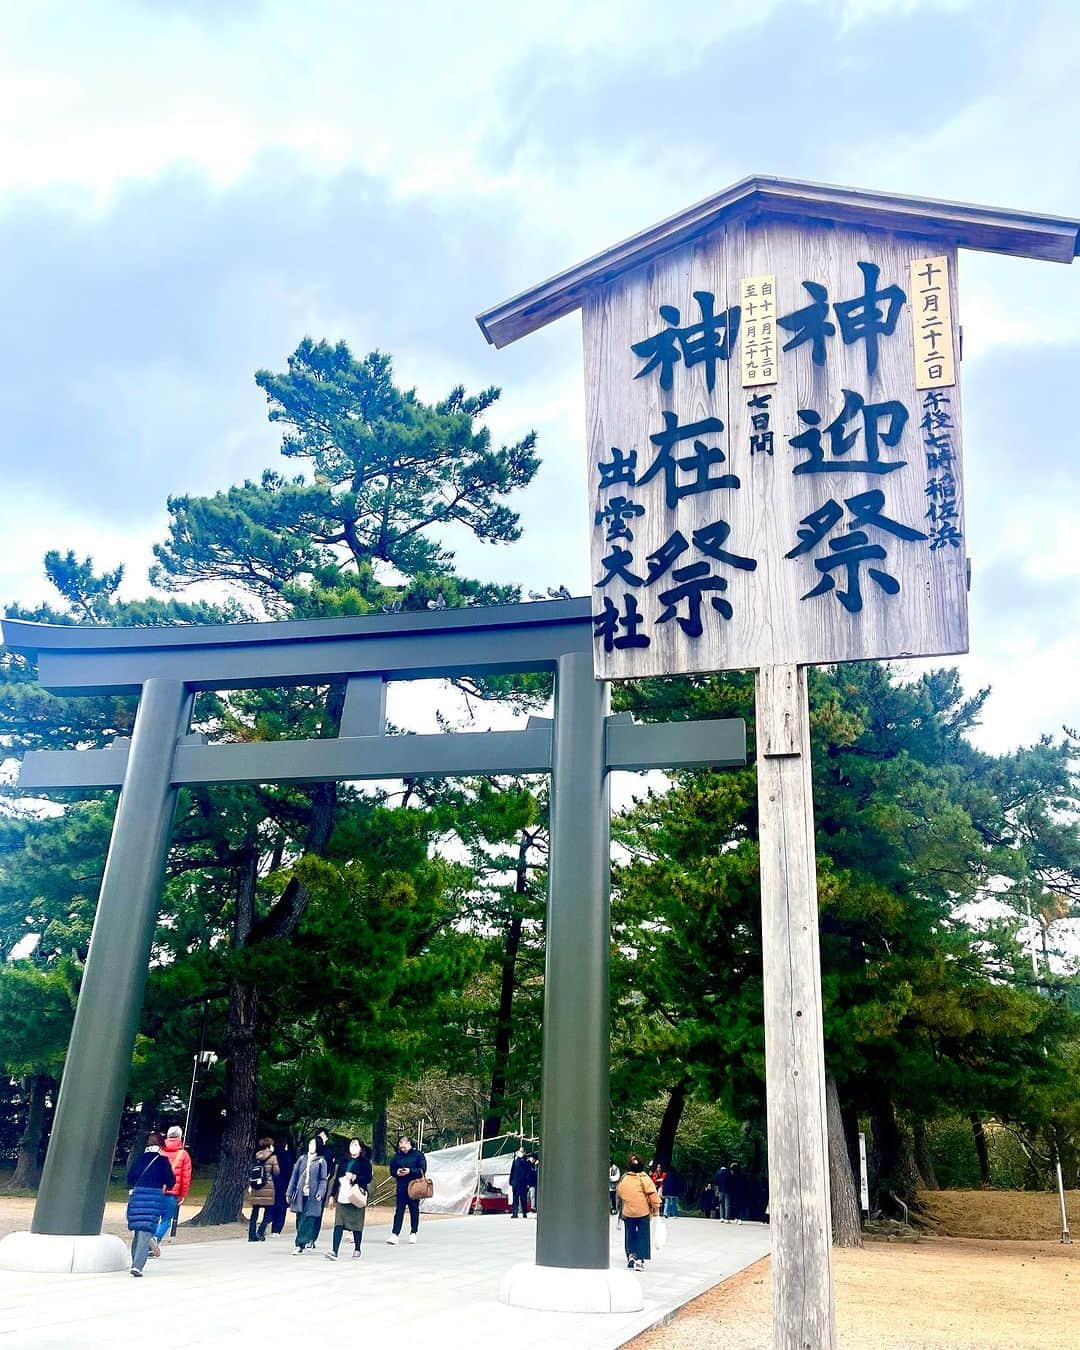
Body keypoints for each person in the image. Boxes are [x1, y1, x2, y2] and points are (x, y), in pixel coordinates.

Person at [126, 1131, 177, 1277]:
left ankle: (134, 1261)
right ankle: (137, 1265)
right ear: (161, 1145)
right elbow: (171, 1181)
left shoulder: (140, 1159)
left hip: (138, 1195)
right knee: (146, 1230)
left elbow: (130, 1178)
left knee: (138, 1230)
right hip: (154, 1197)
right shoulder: (162, 1161)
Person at [326, 1139, 373, 1260]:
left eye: (356, 1144)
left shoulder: (365, 1162)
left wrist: (355, 1177)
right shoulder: (343, 1161)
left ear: (361, 1148)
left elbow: (368, 1178)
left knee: (356, 1225)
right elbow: (337, 1179)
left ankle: (357, 1248)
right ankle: (334, 1250)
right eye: (352, 1144)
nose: (354, 1146)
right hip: (343, 1195)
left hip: (356, 1195)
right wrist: (332, 1195)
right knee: (338, 1224)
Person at [615, 1155, 660, 1273]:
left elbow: (619, 1191)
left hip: (628, 1212)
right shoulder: (644, 1178)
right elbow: (653, 1194)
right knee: (643, 1235)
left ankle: (631, 1255)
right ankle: (640, 1260)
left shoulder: (625, 1178)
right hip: (642, 1211)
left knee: (630, 1234)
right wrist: (656, 1207)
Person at [153, 1125, 192, 1252]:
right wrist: (182, 1195)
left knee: (154, 1217)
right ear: (180, 1137)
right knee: (166, 1219)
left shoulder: (160, 1152)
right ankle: (155, 1239)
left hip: (157, 1190)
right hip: (172, 1193)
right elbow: (185, 1177)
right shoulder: (183, 1154)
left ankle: (147, 1241)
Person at [286, 1138, 328, 1254]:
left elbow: (323, 1180)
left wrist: (320, 1192)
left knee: (308, 1218)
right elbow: (294, 1177)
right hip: (300, 1194)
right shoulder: (302, 1159)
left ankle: (299, 1244)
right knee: (300, 1219)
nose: (311, 1146)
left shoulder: (321, 1161)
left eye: (313, 1144)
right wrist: (289, 1192)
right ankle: (304, 1240)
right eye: (310, 1143)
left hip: (312, 1196)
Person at [386, 1135, 427, 1245]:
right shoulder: (396, 1157)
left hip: (414, 1186)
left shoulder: (418, 1155)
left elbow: (422, 1170)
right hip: (401, 1186)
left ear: (409, 1144)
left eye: (404, 1147)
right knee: (399, 1210)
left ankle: (413, 1232)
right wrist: (397, 1172)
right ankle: (395, 1234)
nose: (402, 1149)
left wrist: (410, 1171)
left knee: (414, 1210)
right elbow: (392, 1170)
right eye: (401, 1147)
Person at [246, 1136, 280, 1242]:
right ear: (270, 1146)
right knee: (268, 1212)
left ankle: (251, 1234)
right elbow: (276, 1172)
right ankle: (260, 1232)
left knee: (255, 1212)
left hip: (256, 1187)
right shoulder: (273, 1157)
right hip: (268, 1187)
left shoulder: (257, 1155)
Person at [311, 1129, 337, 1248]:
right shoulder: (311, 1151)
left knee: (318, 1211)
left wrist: (326, 1177)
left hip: (321, 1184)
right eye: (319, 1137)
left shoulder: (329, 1151)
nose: (320, 1140)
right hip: (309, 1184)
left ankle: (312, 1237)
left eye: (323, 1137)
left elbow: (331, 1169)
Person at [270, 1137, 293, 1235]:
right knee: (281, 1208)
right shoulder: (287, 1156)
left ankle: (271, 1227)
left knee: (273, 1206)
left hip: (273, 1183)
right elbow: (289, 1172)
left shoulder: (272, 1155)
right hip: (284, 1184)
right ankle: (277, 1229)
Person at [509, 1148, 531, 1218]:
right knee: (515, 1199)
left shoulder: (526, 1161)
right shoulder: (515, 1160)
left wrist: (528, 1183)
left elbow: (528, 1173)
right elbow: (512, 1171)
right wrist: (511, 1180)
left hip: (523, 1183)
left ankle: (524, 1212)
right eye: (520, 1151)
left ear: (524, 1152)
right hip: (515, 1183)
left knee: (523, 1199)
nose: (521, 1153)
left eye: (522, 1151)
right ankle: (515, 1213)